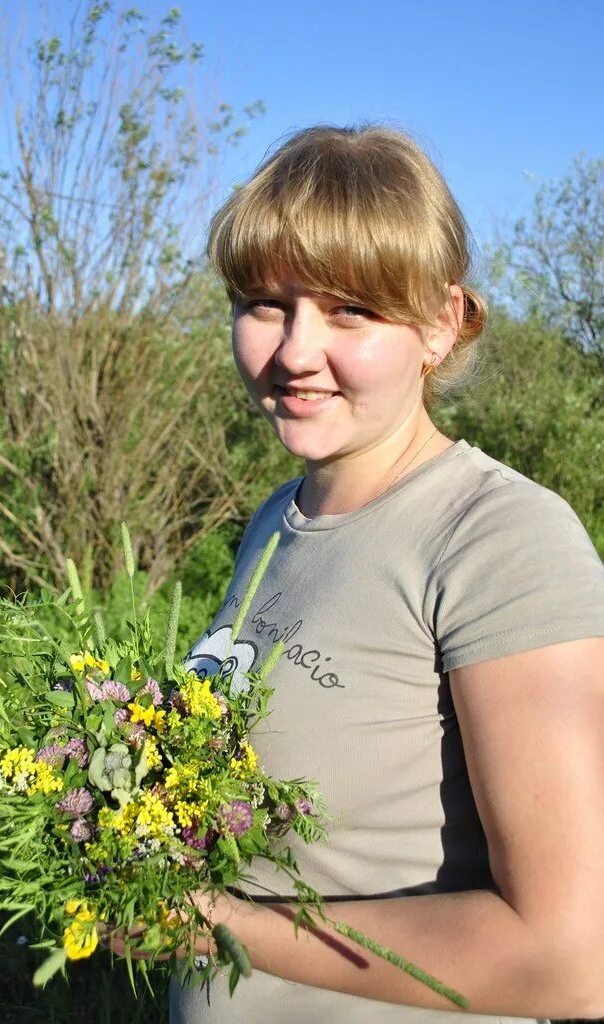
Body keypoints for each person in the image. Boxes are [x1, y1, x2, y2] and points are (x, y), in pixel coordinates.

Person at [165, 125, 604, 1024]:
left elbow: (570, 959)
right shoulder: (278, 519)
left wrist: (215, 927)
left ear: (441, 325)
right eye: (262, 302)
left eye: (349, 311)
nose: (292, 351)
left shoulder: (501, 539)